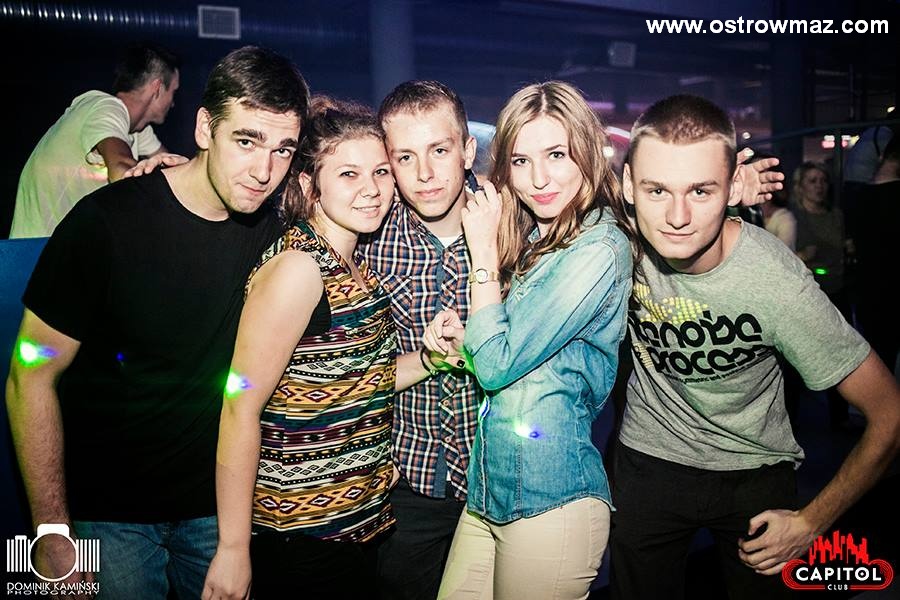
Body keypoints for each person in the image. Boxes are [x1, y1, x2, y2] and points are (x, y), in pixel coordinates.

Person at [5, 46, 308, 598]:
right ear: (204, 128)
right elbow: (30, 375)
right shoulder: (106, 222)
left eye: (282, 149)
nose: (263, 171)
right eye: (246, 141)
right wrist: (49, 532)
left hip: (218, 514)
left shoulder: (274, 236)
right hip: (107, 514)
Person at [609, 94, 900, 600]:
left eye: (701, 191)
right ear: (629, 186)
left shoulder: (776, 284)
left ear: (731, 189)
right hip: (650, 461)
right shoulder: (616, 239)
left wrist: (813, 522)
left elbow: (890, 414)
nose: (677, 216)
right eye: (657, 190)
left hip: (754, 470)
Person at [200, 98, 440, 599]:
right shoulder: (300, 268)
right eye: (349, 174)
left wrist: (433, 358)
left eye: (380, 172)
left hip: (357, 527)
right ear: (310, 185)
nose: (372, 189)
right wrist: (233, 548)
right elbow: (239, 407)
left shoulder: (356, 265)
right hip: (301, 538)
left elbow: (362, 380)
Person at [425, 81, 637, 600]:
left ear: (586, 152)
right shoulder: (542, 239)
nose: (538, 179)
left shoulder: (599, 247)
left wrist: (481, 256)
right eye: (521, 161)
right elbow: (518, 359)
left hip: (551, 497)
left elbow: (498, 366)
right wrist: (465, 343)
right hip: (490, 492)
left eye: (556, 155)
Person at [364, 81, 483, 600]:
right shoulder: (369, 234)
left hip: (498, 480)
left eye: (439, 150)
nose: (425, 174)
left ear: (468, 150)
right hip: (406, 481)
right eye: (405, 158)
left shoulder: (513, 226)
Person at [10, 43, 181, 238]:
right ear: (157, 88)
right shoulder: (105, 108)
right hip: (35, 248)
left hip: (65, 246)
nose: (173, 103)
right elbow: (121, 169)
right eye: (173, 92)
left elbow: (176, 171)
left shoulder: (135, 129)